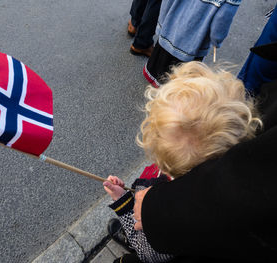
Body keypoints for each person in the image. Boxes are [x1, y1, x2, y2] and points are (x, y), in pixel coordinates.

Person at [104, 61, 262, 262]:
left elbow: (149, 253)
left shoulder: (178, 221)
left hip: (147, 237)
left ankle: (130, 238)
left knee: (138, 245)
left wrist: (124, 206)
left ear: (163, 165)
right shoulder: (236, 183)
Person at [143, 0, 241, 88]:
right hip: (193, 41)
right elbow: (222, 19)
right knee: (180, 78)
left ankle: (156, 87)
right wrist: (217, 40)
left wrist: (162, 24)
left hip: (169, 27)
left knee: (160, 67)